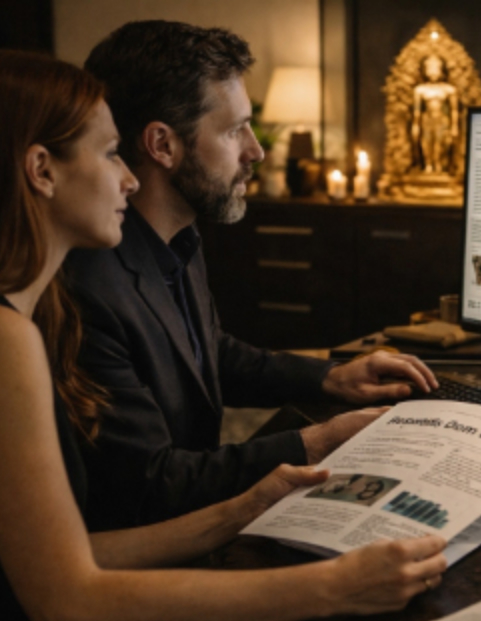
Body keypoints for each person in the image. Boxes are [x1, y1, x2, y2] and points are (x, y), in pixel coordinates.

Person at [0, 50, 446, 621]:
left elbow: (73, 553)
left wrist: (245, 508)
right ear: (41, 170)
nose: (129, 178)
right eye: (109, 154)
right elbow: (73, 612)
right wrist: (334, 587)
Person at [65, 20, 439, 532]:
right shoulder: (88, 289)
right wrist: (317, 442)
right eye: (232, 130)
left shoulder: (178, 236)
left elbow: (206, 353)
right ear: (162, 145)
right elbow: (152, 485)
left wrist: (330, 377)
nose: (255, 150)